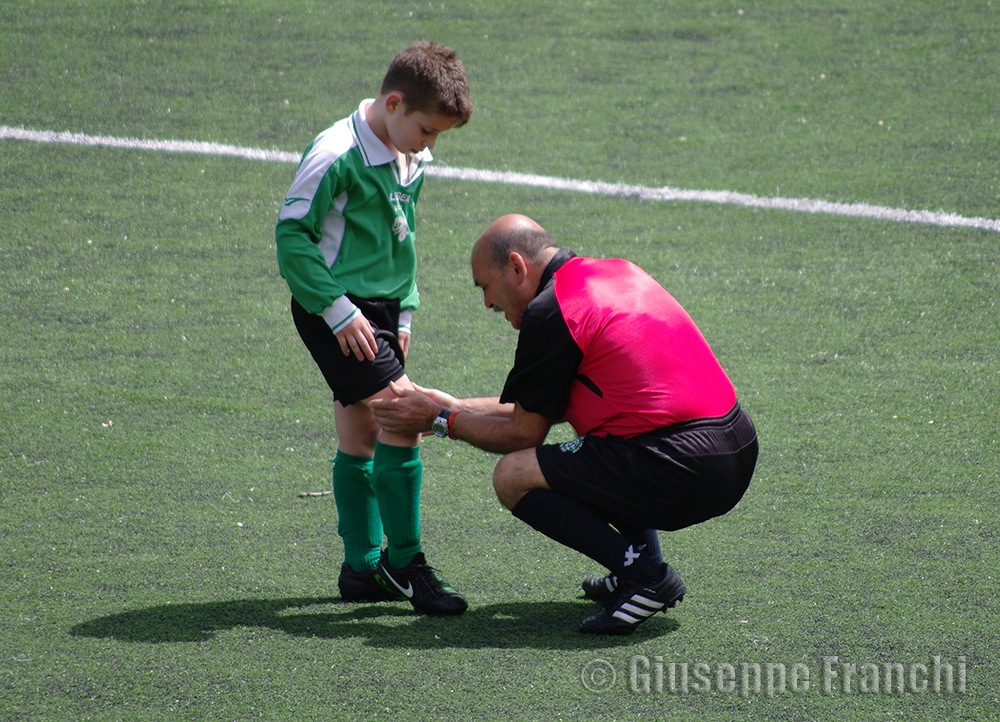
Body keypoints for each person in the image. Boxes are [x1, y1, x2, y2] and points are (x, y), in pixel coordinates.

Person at [370, 214, 759, 634]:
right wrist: (457, 405)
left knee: (513, 475)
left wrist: (441, 421)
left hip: (685, 463)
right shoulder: (613, 272)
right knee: (597, 431)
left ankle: (645, 576)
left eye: (485, 286)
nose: (486, 303)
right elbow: (544, 408)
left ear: (517, 267)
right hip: (735, 446)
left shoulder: (551, 310)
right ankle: (637, 565)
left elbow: (523, 433)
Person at [275, 42, 473, 615]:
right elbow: (292, 238)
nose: (432, 143)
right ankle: (406, 561)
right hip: (335, 309)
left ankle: (361, 569)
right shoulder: (336, 152)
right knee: (403, 417)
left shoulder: (410, 151)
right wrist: (338, 311)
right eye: (428, 129)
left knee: (361, 434)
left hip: (381, 312)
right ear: (392, 103)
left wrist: (404, 309)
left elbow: (400, 236)